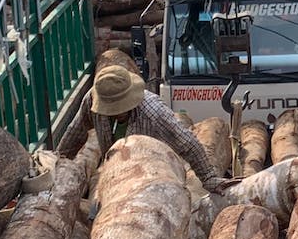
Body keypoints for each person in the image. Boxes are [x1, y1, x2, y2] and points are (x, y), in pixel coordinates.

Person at [89, 63, 233, 192]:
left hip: (152, 173)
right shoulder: (93, 99)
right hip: (113, 171)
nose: (117, 113)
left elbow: (188, 143)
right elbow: (76, 131)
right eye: (112, 109)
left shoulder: (154, 113)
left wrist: (208, 178)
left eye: (120, 108)